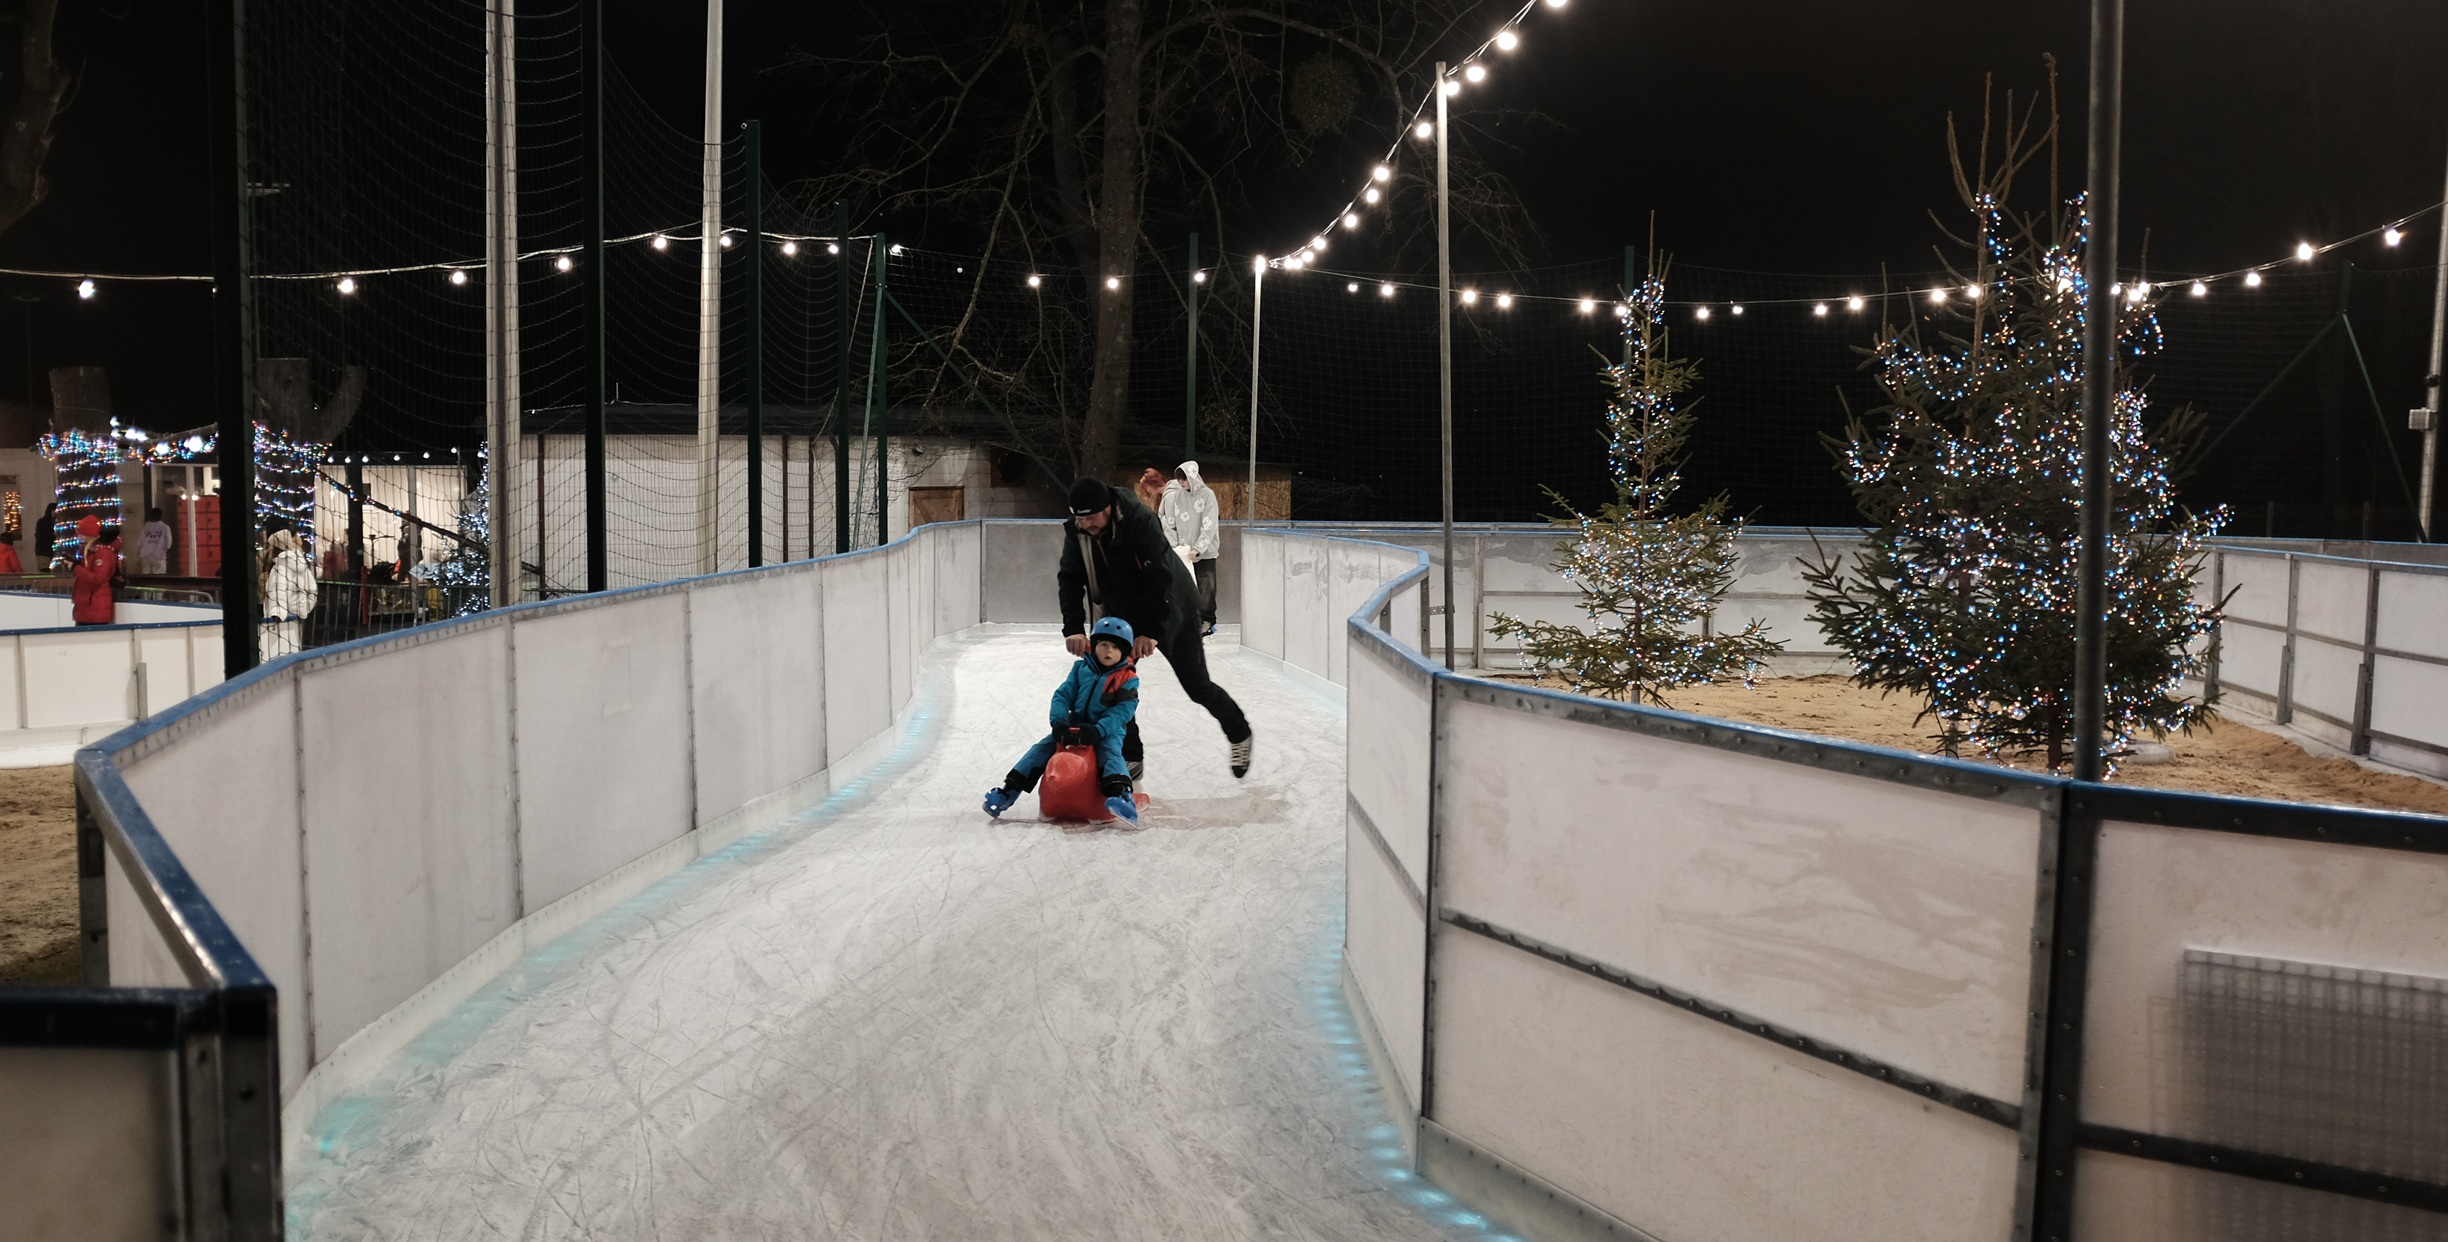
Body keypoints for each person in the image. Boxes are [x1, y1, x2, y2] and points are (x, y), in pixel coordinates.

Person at [1059, 477, 1253, 780]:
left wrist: (1150, 631)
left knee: (1197, 685)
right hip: (1120, 614)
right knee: (1110, 685)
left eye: (1090, 518)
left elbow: (1159, 576)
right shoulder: (1078, 531)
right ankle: (1130, 756)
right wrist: (1073, 627)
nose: (1084, 525)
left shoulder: (1140, 521)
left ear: (1107, 509)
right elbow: (1070, 578)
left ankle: (1240, 733)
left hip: (1172, 608)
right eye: (1078, 518)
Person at [982, 615, 1143, 824]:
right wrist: (1058, 722)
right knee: (1041, 749)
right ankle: (1008, 791)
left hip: (1106, 730)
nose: (1108, 651)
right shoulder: (1081, 669)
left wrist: (1099, 729)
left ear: (1124, 651)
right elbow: (1062, 695)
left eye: (1115, 647)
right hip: (1074, 724)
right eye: (1103, 645)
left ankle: (1121, 795)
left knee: (1110, 752)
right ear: (1094, 645)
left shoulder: (1128, 678)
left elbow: (1123, 710)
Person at [1160, 461, 1222, 635]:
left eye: (1185, 479)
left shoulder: (1207, 495)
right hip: (1183, 553)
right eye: (1179, 479)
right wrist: (1175, 547)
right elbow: (1169, 523)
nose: (1182, 483)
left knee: (1206, 587)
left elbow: (1209, 525)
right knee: (1183, 588)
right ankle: (1187, 620)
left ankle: (1207, 621)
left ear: (1192, 477)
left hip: (1204, 553)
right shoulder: (1176, 497)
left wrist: (1199, 549)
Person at [258, 526, 317, 659]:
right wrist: (303, 608)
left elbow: (278, 592)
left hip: (280, 623)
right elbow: (312, 590)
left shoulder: (281, 568)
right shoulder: (301, 564)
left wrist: (276, 613)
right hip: (296, 619)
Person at [71, 516, 115, 626]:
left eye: (82, 534)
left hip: (95, 610)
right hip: (85, 608)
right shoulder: (88, 553)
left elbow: (98, 578)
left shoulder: (102, 553)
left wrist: (75, 568)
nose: (79, 537)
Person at [136, 507, 173, 576]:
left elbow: (140, 542)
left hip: (145, 557)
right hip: (159, 557)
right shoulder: (165, 528)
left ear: (150, 516)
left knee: (146, 578)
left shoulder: (145, 527)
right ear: (160, 516)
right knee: (159, 579)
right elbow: (168, 544)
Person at [32, 501, 55, 567]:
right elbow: (41, 536)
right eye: (53, 510)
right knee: (44, 568)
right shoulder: (43, 522)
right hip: (44, 552)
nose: (55, 512)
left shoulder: (56, 522)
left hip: (50, 552)